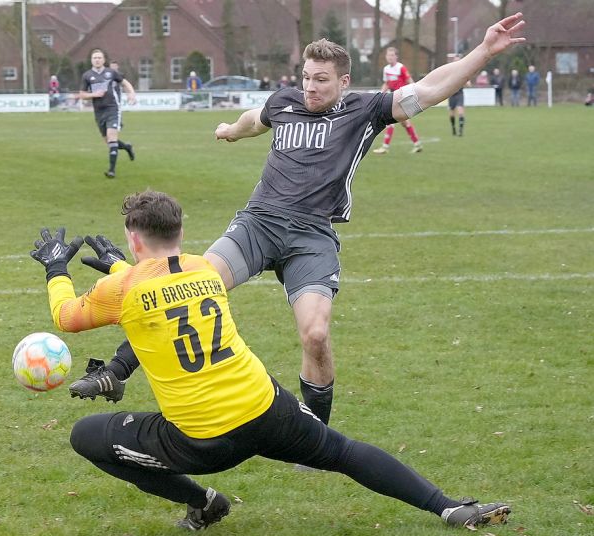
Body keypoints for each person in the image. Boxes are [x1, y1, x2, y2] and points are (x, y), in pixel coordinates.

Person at [70, 14, 528, 436]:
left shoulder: (365, 110)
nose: (310, 87)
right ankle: (115, 371)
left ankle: (315, 435)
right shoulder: (285, 101)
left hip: (312, 236)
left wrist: (484, 51)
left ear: (343, 82)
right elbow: (256, 119)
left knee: (315, 333)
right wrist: (230, 128)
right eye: (306, 77)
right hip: (259, 223)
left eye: (322, 80)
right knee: (188, 284)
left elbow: (429, 88)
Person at [30, 191, 512, 532]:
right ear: (180, 232)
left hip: (202, 440)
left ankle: (205, 502)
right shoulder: (206, 268)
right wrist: (123, 266)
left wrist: (56, 267)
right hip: (265, 407)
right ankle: (448, 508)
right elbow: (164, 285)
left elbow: (67, 316)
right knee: (342, 452)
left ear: (134, 239)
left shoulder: (125, 289)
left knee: (86, 437)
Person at [79, 49, 136, 179]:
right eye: (95, 58)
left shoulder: (111, 73)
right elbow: (82, 94)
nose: (97, 60)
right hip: (99, 112)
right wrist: (94, 94)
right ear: (91, 60)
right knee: (109, 141)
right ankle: (127, 147)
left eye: (99, 57)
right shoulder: (87, 76)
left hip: (113, 108)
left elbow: (125, 82)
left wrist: (131, 93)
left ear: (104, 60)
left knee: (111, 137)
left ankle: (111, 170)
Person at [372, 47, 422, 154]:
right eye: (388, 55)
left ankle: (385, 147)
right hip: (393, 96)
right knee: (405, 123)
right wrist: (380, 94)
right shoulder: (386, 69)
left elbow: (410, 81)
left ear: (396, 56)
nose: (389, 57)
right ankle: (417, 144)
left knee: (390, 120)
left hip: (401, 96)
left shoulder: (401, 68)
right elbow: (387, 83)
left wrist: (414, 94)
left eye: (391, 55)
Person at [447, 55, 468, 137]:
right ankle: (453, 128)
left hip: (460, 94)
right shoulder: (450, 71)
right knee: (451, 114)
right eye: (455, 60)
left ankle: (460, 131)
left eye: (458, 60)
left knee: (460, 111)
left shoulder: (464, 71)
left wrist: (466, 82)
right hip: (451, 94)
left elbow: (468, 83)